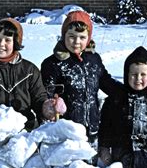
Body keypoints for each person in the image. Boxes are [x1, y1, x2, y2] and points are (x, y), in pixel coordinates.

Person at [41, 10, 123, 150]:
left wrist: (126, 91)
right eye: (71, 36)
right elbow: (46, 93)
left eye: (82, 37)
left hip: (93, 128)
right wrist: (51, 104)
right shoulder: (52, 64)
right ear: (63, 35)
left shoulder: (94, 60)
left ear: (89, 37)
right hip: (67, 132)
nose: (77, 42)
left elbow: (105, 81)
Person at [0, 17, 56, 131]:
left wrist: (46, 108)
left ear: (16, 43)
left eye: (7, 40)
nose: (1, 44)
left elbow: (39, 99)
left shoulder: (29, 71)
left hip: (25, 132)